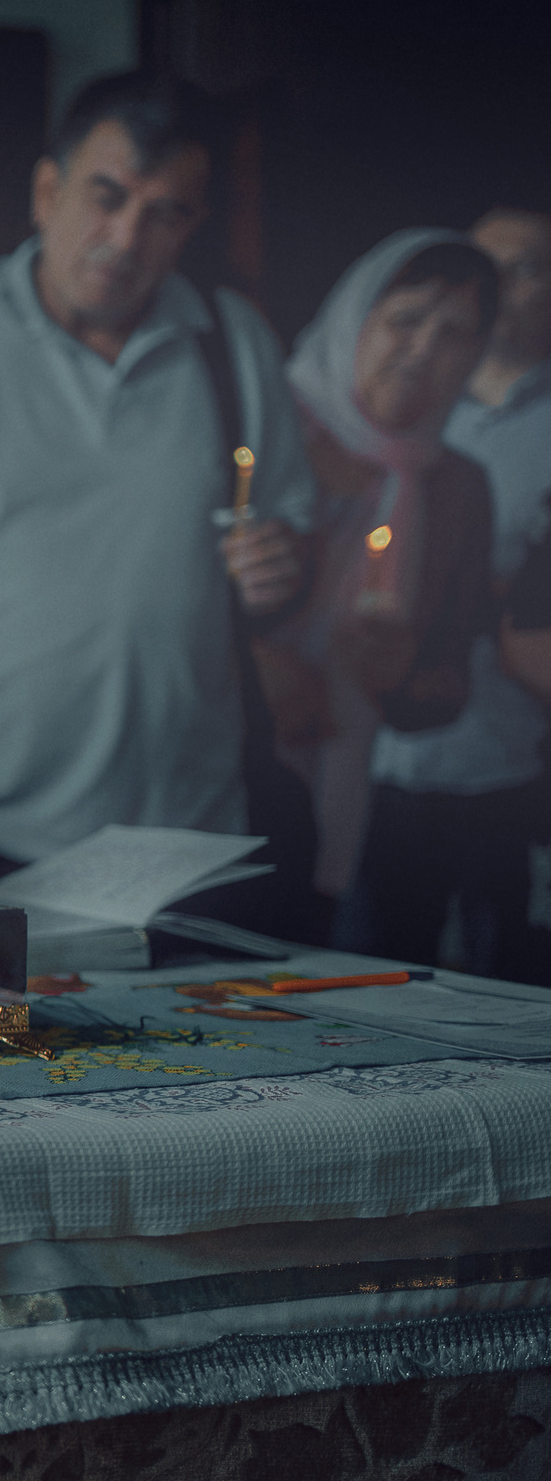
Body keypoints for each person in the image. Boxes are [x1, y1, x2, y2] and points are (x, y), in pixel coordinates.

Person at [0, 72, 319, 934]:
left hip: (190, 837)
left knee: (219, 1067)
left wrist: (283, 573)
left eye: (166, 212)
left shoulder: (233, 342)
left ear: (193, 225)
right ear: (47, 190)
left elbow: (284, 567)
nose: (127, 237)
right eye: (108, 196)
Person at [278, 232, 501, 960]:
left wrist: (403, 670)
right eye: (405, 319)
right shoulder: (267, 430)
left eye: (456, 334)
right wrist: (262, 663)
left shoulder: (458, 487)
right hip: (212, 785)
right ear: (355, 317)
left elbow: (443, 687)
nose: (423, 350)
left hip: (350, 811)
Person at [360, 209, 551, 979]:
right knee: (375, 978)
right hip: (382, 756)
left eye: (527, 266)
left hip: (509, 758)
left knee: (510, 985)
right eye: (485, 265)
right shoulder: (400, 403)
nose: (500, 285)